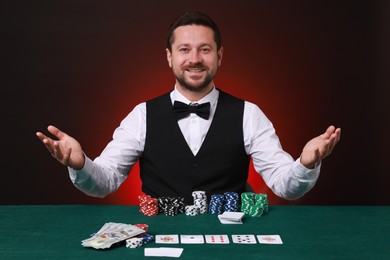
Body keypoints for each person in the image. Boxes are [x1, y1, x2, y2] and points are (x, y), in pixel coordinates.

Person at [36, 11, 341, 204]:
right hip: (158, 236)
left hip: (231, 236)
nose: (194, 59)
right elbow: (103, 182)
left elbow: (285, 186)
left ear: (219, 56)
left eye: (204, 49)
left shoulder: (250, 114)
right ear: (169, 57)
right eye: (184, 49)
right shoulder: (141, 115)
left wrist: (306, 161)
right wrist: (79, 164)